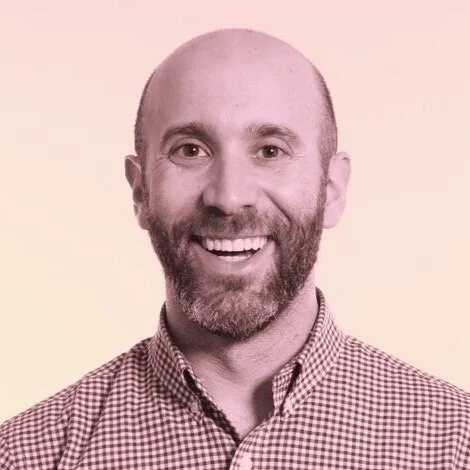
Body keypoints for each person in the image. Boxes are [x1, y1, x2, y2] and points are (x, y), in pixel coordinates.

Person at [1, 28, 469, 470]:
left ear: (332, 188)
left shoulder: (455, 445)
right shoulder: (24, 456)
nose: (228, 196)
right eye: (190, 150)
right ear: (141, 191)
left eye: (270, 150)